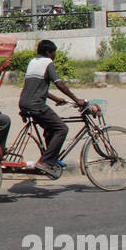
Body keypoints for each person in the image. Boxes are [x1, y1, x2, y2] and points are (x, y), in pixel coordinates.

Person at [19, 39, 86, 176]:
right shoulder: (48, 63)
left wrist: (56, 99)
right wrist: (76, 100)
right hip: (36, 105)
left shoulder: (33, 62)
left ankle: (51, 158)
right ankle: (46, 161)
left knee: (51, 127)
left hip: (24, 102)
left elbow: (36, 87)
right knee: (62, 128)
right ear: (48, 52)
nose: (55, 55)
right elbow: (59, 84)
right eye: (54, 52)